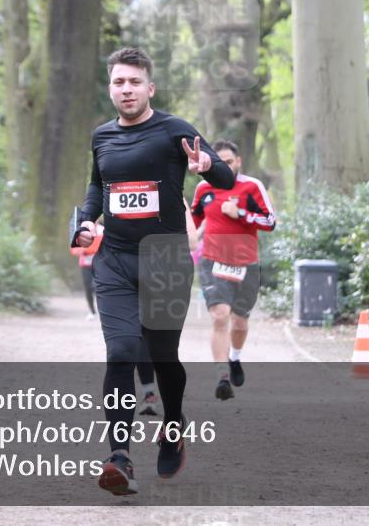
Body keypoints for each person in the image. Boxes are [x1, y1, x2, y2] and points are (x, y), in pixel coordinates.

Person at [73, 47, 235, 496]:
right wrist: (86, 220)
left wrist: (206, 166)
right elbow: (98, 187)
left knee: (163, 356)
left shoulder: (175, 130)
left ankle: (173, 423)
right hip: (115, 260)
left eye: (134, 82)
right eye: (118, 82)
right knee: (122, 351)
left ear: (150, 88)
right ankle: (119, 457)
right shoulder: (102, 137)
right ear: (110, 88)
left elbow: (224, 178)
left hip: (165, 260)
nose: (126, 89)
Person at [190, 139, 276, 400]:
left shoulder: (252, 186)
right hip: (213, 260)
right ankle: (222, 376)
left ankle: (234, 357)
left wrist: (241, 213)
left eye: (229, 162)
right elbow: (193, 222)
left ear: (238, 162)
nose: (225, 166)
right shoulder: (204, 188)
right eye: (221, 162)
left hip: (246, 264)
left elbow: (270, 221)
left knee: (239, 322)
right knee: (220, 316)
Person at [70, 222, 161, 416]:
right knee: (124, 344)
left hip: (142, 271)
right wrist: (84, 240)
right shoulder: (88, 221)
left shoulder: (117, 225)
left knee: (144, 335)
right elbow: (75, 245)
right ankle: (92, 311)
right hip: (105, 272)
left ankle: (151, 393)